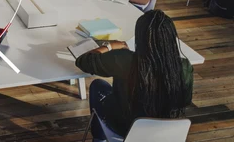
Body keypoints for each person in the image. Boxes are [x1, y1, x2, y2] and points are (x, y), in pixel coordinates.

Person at [76, 10, 193, 140]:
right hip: (166, 133)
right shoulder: (184, 66)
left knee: (98, 86)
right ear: (171, 39)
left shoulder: (125, 60)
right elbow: (185, 101)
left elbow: (83, 61)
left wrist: (109, 46)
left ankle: (100, 138)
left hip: (125, 129)